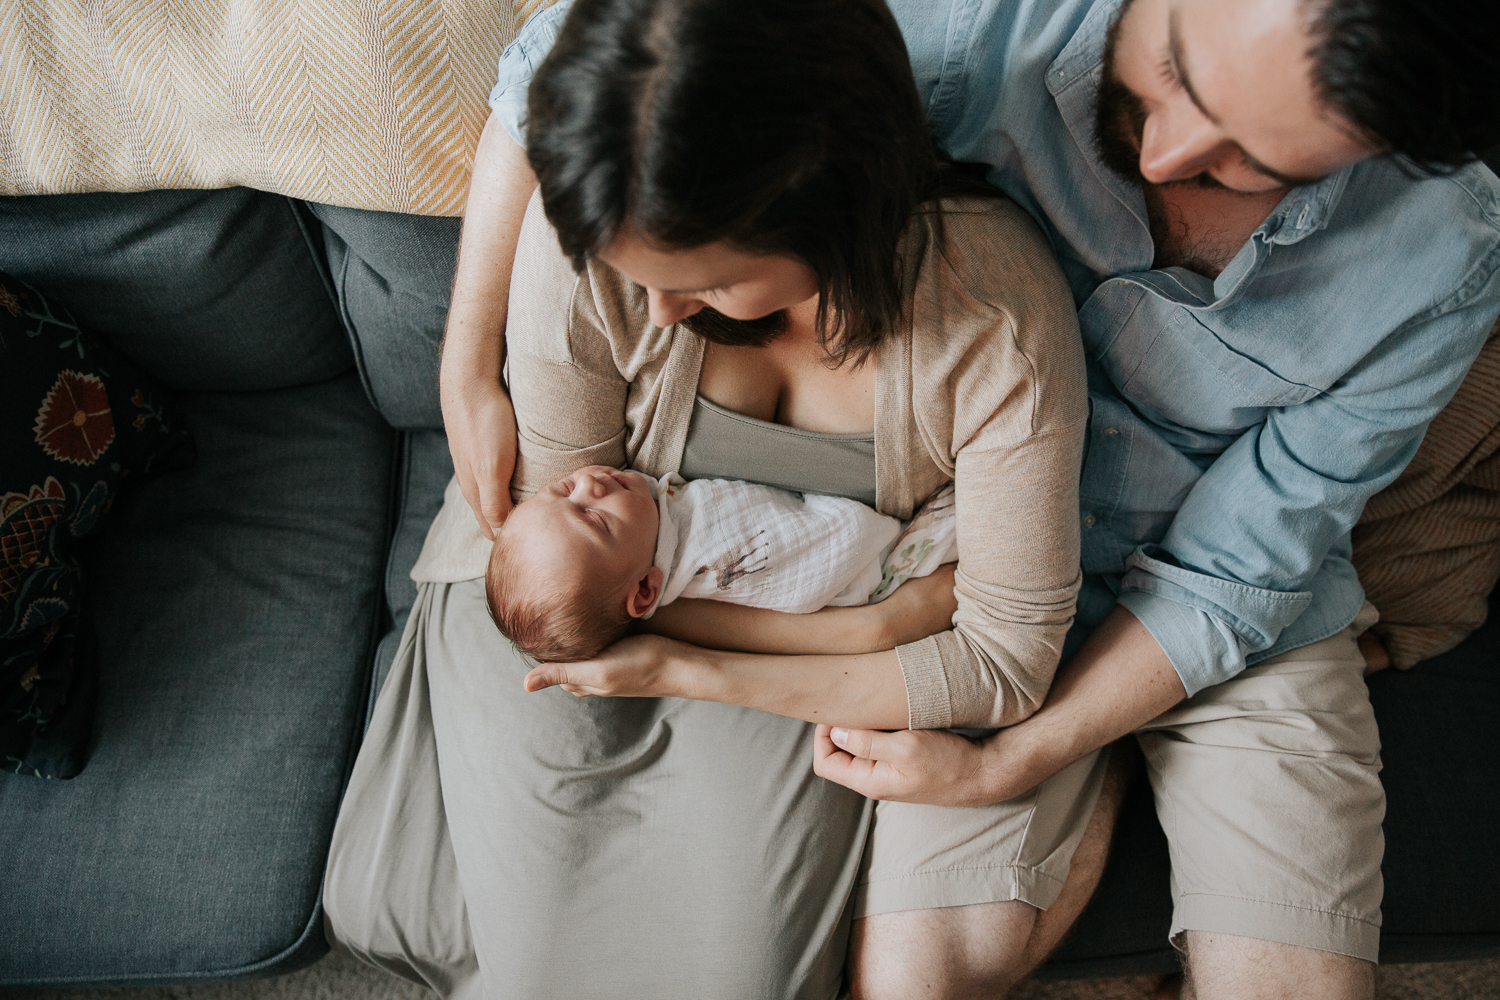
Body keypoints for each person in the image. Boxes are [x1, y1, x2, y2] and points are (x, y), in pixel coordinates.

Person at [433, 0, 1500, 996]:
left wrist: (1033, 748)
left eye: (1253, 162)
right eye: (1173, 70)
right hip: (964, 557)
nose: (1168, 155)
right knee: (916, 973)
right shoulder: (973, 28)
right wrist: (467, 349)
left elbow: (1242, 571)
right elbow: (584, 63)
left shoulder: (1442, 257)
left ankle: (1107, 771)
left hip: (1214, 612)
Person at [323, 1, 1090, 998]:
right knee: (429, 908)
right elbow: (570, 511)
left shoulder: (994, 321)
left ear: (832, 207)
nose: (664, 313)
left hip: (798, 627)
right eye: (643, 280)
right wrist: (874, 624)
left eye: (711, 282)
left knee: (727, 972)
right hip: (576, 588)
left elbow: (1000, 664)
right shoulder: (600, 236)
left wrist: (695, 661)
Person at [473, 463, 958, 663]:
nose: (590, 486)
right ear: (645, 591)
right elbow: (819, 545)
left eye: (562, 489)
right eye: (596, 521)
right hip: (877, 569)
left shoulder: (650, 516)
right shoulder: (705, 548)